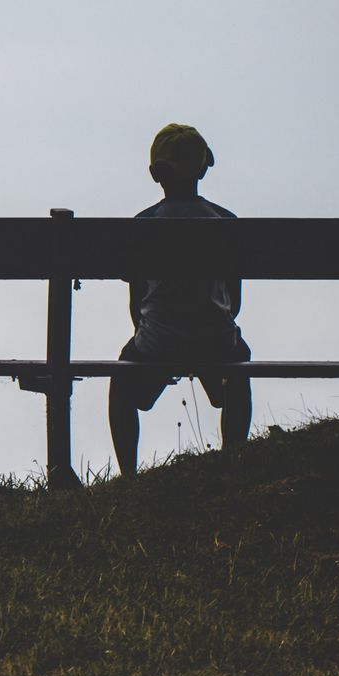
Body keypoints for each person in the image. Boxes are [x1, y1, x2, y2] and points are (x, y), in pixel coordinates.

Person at [109, 123, 252, 474]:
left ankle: (129, 475)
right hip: (215, 341)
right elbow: (234, 302)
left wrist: (154, 337)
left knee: (121, 384)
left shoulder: (142, 226)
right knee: (239, 361)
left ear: (156, 174)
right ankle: (234, 461)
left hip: (158, 341)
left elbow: (136, 302)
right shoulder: (226, 223)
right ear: (203, 168)